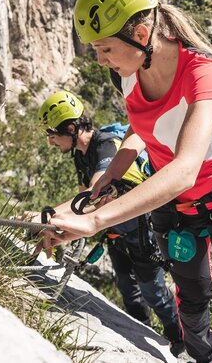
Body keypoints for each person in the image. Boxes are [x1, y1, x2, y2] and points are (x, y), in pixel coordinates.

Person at [42, 0, 212, 363]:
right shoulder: (128, 74)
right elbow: (141, 131)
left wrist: (96, 221)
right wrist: (106, 180)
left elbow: (185, 167)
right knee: (193, 311)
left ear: (141, 34)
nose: (100, 61)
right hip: (176, 210)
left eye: (104, 49)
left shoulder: (202, 70)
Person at [38, 89, 185, 354]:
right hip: (116, 231)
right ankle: (140, 333)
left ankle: (178, 341)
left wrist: (45, 217)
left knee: (154, 292)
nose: (50, 142)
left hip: (141, 231)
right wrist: (62, 223)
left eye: (52, 134)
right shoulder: (80, 155)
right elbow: (83, 200)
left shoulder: (105, 144)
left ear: (71, 128)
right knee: (127, 288)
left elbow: (93, 192)